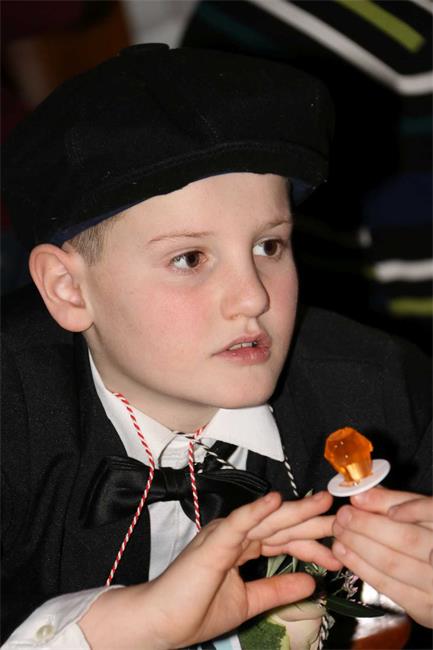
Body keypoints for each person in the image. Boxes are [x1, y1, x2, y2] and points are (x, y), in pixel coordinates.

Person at [2, 44, 431, 649]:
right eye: (190, 258)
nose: (252, 297)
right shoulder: (14, 421)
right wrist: (116, 630)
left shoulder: (384, 392)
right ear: (69, 289)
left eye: (269, 246)